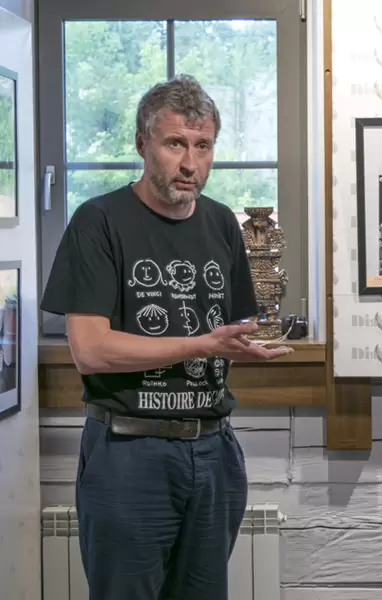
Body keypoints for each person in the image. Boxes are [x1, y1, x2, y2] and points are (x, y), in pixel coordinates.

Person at [40, 74, 293, 600]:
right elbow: (90, 350)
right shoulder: (99, 221)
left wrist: (242, 346)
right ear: (142, 144)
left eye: (203, 146)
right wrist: (202, 344)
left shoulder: (222, 223)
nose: (190, 163)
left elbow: (227, 334)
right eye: (175, 143)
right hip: (128, 452)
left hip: (214, 449)